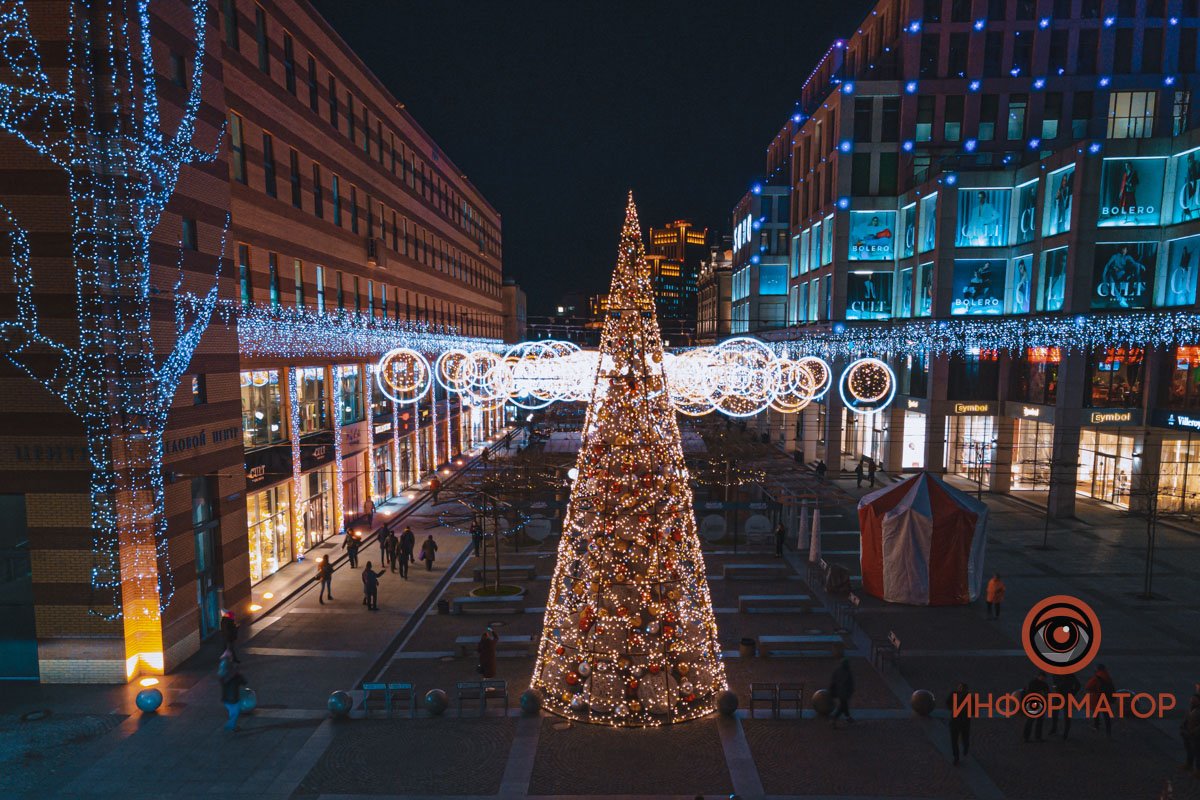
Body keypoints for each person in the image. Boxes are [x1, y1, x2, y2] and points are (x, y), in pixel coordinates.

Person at [219, 648, 247, 732]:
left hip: (225, 698)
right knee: (236, 712)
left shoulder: (222, 676)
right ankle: (230, 726)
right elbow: (244, 682)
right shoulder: (235, 676)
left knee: (232, 712)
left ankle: (233, 726)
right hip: (233, 698)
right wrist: (239, 674)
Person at [1048, 671, 1081, 740]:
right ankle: (1056, 729)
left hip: (1064, 696)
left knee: (1066, 715)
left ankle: (1064, 732)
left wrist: (1072, 693)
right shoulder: (1058, 674)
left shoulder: (1067, 674)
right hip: (1060, 696)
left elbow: (1078, 685)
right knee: (1057, 713)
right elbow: (1054, 683)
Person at [1086, 663, 1116, 736]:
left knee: (1096, 713)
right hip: (1106, 699)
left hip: (1097, 698)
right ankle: (1108, 730)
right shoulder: (1108, 677)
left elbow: (1088, 686)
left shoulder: (1096, 678)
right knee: (1106, 715)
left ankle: (1096, 726)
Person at [1022, 671, 1050, 742]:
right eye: (1042, 677)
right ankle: (1028, 737)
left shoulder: (1034, 683)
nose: (1042, 678)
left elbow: (1048, 694)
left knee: (1036, 721)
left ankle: (1031, 737)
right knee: (1032, 721)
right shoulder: (1035, 683)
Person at [948, 682, 971, 764]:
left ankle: (965, 748)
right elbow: (948, 703)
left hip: (964, 722)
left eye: (962, 688)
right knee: (954, 740)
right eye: (960, 688)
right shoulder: (953, 694)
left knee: (964, 738)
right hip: (955, 721)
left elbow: (974, 710)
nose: (961, 690)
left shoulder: (970, 698)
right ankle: (956, 757)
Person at [829, 657, 855, 727]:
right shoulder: (848, 672)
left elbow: (833, 681)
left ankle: (848, 717)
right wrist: (851, 691)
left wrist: (832, 690)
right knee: (842, 706)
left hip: (838, 691)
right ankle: (834, 718)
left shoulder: (837, 670)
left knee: (844, 705)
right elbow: (850, 683)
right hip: (844, 692)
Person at [1182, 695, 1200, 776]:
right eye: (1192, 699)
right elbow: (1187, 719)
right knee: (1189, 749)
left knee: (1197, 752)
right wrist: (1182, 728)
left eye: (1194, 700)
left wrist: (1194, 731)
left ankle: (1198, 770)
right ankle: (1189, 765)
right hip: (1188, 733)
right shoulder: (1191, 709)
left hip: (1196, 735)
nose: (1192, 701)